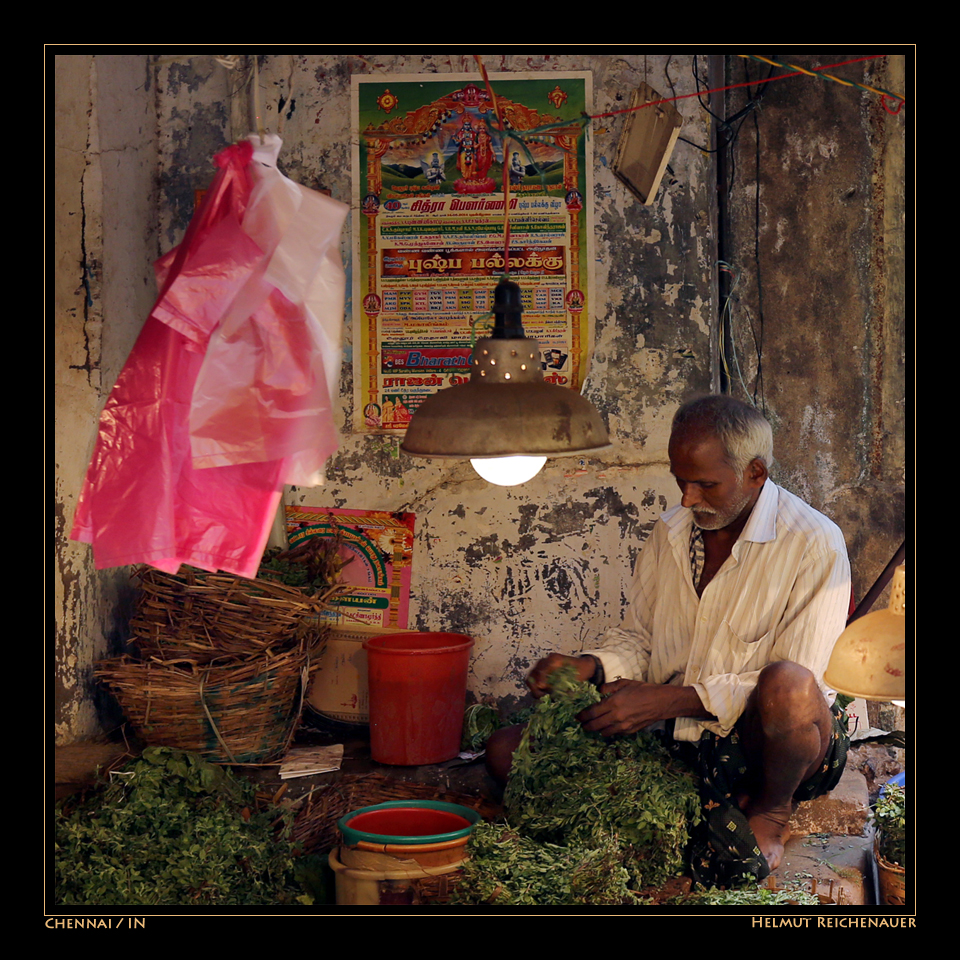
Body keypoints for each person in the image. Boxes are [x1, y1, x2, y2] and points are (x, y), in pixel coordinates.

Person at [487, 394, 851, 885]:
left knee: (788, 685)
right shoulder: (671, 531)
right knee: (508, 751)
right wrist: (591, 666)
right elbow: (639, 638)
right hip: (679, 739)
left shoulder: (814, 543)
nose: (687, 498)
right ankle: (675, 806)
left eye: (705, 484)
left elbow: (804, 688)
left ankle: (770, 813)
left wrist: (668, 700)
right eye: (680, 480)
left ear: (755, 474)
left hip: (772, 749)